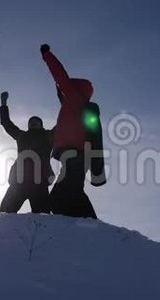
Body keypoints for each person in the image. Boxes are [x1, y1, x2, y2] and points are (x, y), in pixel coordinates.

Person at [40, 43, 100, 219]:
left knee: (59, 197)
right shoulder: (76, 107)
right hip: (76, 156)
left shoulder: (75, 100)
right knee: (71, 192)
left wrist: (47, 55)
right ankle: (85, 225)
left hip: (76, 155)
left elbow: (60, 76)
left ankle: (90, 224)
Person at [0, 91, 54, 214]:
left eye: (36, 121)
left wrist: (67, 104)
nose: (33, 123)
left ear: (41, 124)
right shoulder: (22, 135)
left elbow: (61, 126)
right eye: (31, 122)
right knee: (4, 215)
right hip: (19, 181)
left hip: (39, 183)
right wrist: (3, 104)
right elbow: (6, 124)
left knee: (43, 218)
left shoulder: (47, 136)